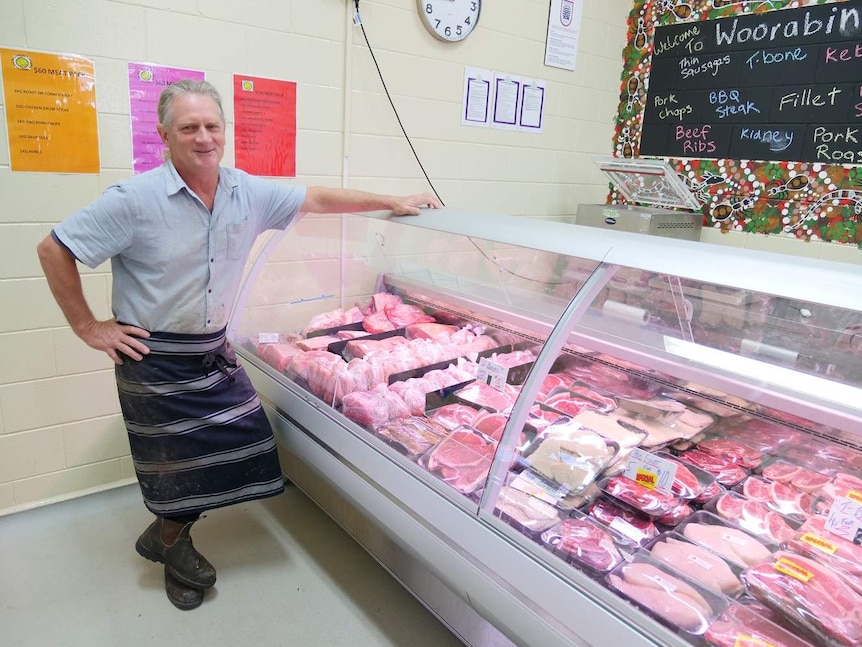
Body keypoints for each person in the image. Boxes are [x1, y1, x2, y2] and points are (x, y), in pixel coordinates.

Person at [36, 79, 441, 611]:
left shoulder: (244, 191)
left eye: (212, 126)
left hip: (211, 349)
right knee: (173, 466)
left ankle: (161, 535)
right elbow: (53, 249)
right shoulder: (132, 200)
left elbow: (316, 197)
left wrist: (389, 200)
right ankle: (174, 546)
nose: (203, 138)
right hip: (152, 356)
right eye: (189, 127)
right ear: (164, 135)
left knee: (245, 442)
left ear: (224, 132)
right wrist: (88, 327)